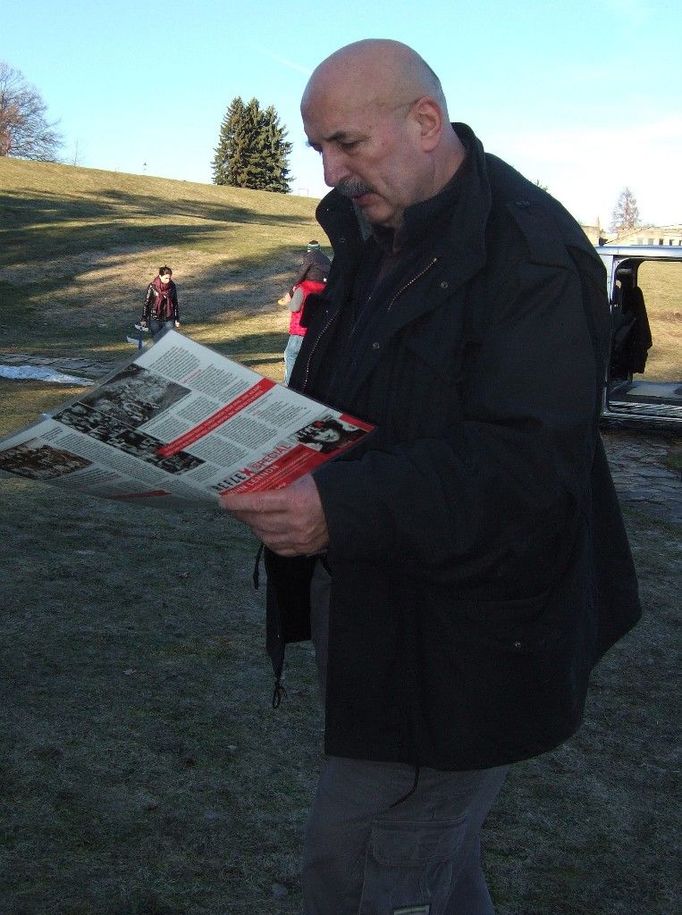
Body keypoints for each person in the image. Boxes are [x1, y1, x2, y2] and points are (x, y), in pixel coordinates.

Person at [222, 39, 642, 914]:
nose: (331, 172)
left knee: (365, 867)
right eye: (319, 151)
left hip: (463, 638)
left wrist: (336, 505)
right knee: (432, 870)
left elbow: (524, 466)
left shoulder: (527, 252)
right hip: (376, 601)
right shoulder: (380, 235)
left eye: (348, 144)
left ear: (424, 122)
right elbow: (360, 405)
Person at [280, 241, 331, 383]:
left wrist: (290, 299)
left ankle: (290, 383)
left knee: (290, 355)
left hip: (299, 330)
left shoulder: (303, 288)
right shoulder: (325, 289)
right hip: (315, 330)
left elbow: (295, 307)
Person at [137, 266, 180, 338]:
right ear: (160, 276)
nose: (168, 280)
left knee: (168, 339)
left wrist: (177, 319)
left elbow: (175, 303)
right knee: (156, 340)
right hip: (155, 318)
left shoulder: (172, 286)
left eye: (169, 278)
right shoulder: (152, 286)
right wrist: (144, 318)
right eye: (166, 278)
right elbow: (147, 303)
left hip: (168, 318)